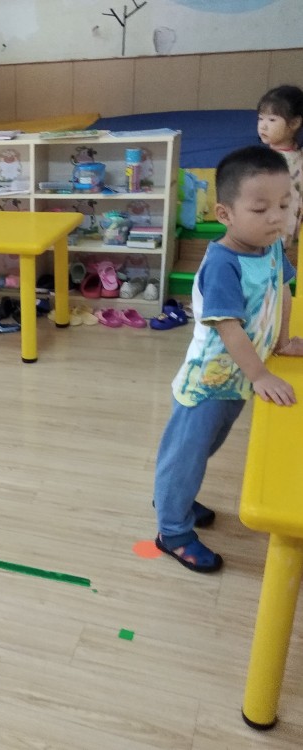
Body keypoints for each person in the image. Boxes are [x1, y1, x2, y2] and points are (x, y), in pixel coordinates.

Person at [153, 145, 303, 573]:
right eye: (260, 208)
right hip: (208, 383)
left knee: (206, 448)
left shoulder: (269, 247)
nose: (276, 217)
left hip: (239, 378)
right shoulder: (223, 264)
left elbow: (282, 288)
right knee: (186, 455)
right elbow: (229, 328)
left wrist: (282, 341)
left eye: (284, 205)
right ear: (225, 214)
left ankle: (175, 496)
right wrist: (260, 374)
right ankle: (172, 530)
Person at [257, 84, 303, 267]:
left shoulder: (279, 160)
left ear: (294, 123)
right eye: (260, 118)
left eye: (272, 120)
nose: (263, 125)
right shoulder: (272, 157)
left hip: (275, 228)